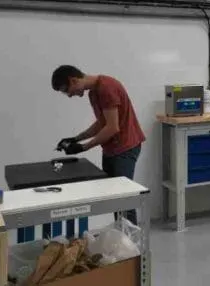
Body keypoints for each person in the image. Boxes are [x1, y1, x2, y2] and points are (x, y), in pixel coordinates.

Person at [51, 65, 146, 224]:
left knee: (124, 199)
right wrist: (76, 138)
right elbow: (102, 122)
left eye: (67, 90)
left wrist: (83, 147)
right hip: (111, 149)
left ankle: (132, 244)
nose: (69, 95)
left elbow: (112, 127)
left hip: (125, 149)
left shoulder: (106, 88)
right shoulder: (94, 93)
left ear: (73, 80)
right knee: (114, 198)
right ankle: (122, 239)